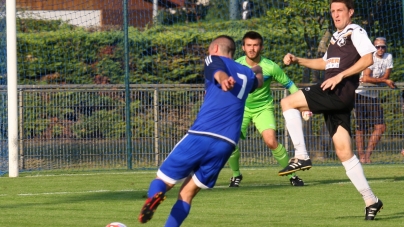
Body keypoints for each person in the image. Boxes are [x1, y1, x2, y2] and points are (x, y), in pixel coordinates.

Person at [138, 35, 263, 226]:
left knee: (164, 181)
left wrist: (222, 80)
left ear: (214, 49)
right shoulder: (247, 74)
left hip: (202, 134)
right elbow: (259, 81)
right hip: (227, 143)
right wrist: (258, 69)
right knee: (187, 193)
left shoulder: (213, 59)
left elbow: (217, 71)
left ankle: (155, 196)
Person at [279, 0, 383, 220]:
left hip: (338, 92)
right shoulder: (336, 38)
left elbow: (368, 58)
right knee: (344, 151)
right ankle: (371, 200)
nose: (336, 15)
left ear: (350, 12)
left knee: (287, 103)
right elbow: (325, 63)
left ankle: (301, 154)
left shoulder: (355, 31)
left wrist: (341, 75)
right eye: (333, 11)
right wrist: (298, 60)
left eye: (340, 10)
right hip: (337, 96)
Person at [228, 31, 304, 187]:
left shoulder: (270, 67)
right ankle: (236, 175)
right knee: (229, 143)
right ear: (243, 47)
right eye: (248, 45)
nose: (252, 49)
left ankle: (293, 175)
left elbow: (289, 84)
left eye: (255, 45)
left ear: (261, 47)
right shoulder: (235, 65)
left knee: (271, 141)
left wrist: (303, 103)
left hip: (263, 108)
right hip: (240, 109)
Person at [355, 37, 395, 164]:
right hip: (360, 94)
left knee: (380, 127)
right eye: (378, 47)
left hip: (373, 96)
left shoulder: (388, 57)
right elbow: (366, 78)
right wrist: (384, 81)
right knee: (361, 128)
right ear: (374, 47)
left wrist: (382, 80)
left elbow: (387, 75)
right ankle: (361, 156)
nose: (380, 49)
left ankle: (367, 155)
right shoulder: (370, 57)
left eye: (383, 47)